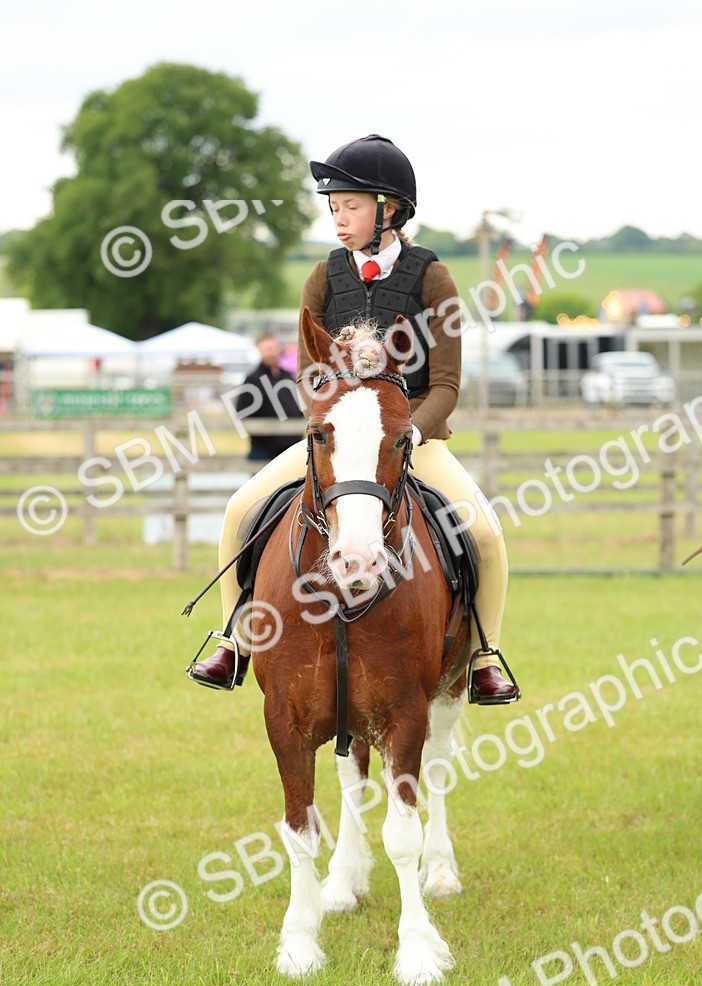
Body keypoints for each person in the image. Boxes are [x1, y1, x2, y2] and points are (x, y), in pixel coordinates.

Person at [189, 133, 519, 703]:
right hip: (338, 443)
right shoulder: (322, 278)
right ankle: (233, 640)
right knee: (239, 509)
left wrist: (408, 432)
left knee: (485, 535)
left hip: (413, 441)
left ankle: (484, 656)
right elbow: (308, 375)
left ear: (388, 211)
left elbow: (445, 384)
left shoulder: (430, 278)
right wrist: (329, 424)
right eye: (334, 207)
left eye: (351, 207)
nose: (339, 219)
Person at [235, 331, 304, 463]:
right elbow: (242, 413)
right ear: (259, 351)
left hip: (291, 449)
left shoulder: (288, 376)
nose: (271, 353)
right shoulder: (252, 380)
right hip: (264, 451)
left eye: (273, 348)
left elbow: (299, 405)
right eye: (267, 349)